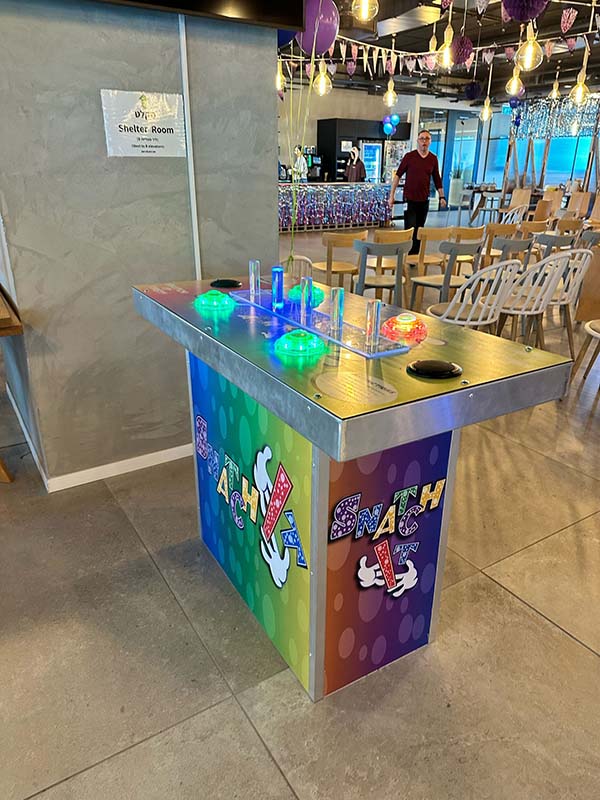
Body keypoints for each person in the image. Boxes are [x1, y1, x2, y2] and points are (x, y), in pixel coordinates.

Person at [388, 130, 446, 255]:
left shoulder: (433, 159)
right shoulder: (409, 157)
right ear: (418, 141)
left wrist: (442, 196)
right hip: (409, 200)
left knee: (419, 230)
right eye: (422, 138)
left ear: (430, 141)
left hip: (423, 200)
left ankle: (414, 257)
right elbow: (397, 176)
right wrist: (391, 195)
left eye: (427, 139)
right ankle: (406, 254)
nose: (424, 141)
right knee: (410, 228)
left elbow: (437, 179)